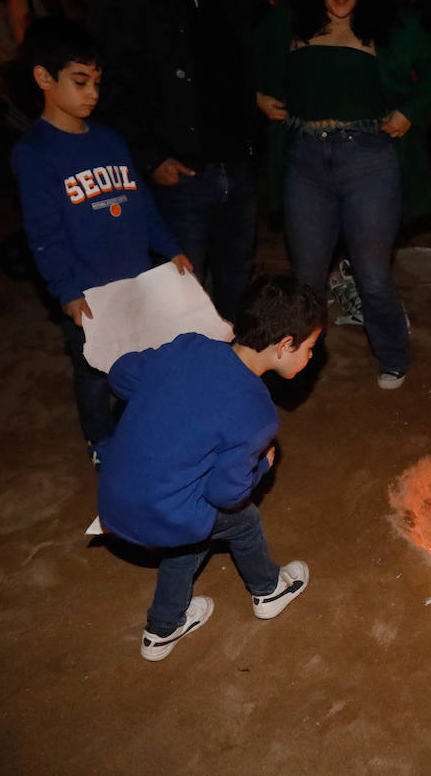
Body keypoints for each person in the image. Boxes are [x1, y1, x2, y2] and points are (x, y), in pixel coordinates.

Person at [254, 0, 431, 389]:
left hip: (369, 162)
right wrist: (259, 96)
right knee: (307, 278)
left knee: (372, 275)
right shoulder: (289, 19)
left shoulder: (388, 25)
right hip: (305, 163)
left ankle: (393, 354)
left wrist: (412, 110)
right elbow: (250, 57)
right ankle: (301, 363)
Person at [97, 275, 325, 661]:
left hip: (112, 496)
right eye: (310, 348)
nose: (311, 357)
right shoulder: (256, 413)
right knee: (242, 520)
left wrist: (168, 397)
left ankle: (163, 628)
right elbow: (226, 493)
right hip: (161, 511)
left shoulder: (189, 347)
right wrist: (262, 468)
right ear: (285, 345)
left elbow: (121, 374)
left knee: (191, 528)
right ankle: (268, 590)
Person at [9, 17, 192, 459]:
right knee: (93, 372)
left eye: (96, 81)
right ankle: (102, 441)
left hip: (133, 281)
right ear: (43, 78)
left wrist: (172, 249)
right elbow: (44, 235)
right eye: (80, 81)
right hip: (88, 292)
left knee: (140, 361)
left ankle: (142, 431)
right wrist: (67, 291)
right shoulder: (34, 154)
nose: (93, 93)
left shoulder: (110, 139)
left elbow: (142, 203)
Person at [90, 0, 265, 321]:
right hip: (180, 174)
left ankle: (226, 382)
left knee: (235, 288)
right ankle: (182, 388)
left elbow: (263, 46)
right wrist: (149, 157)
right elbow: (109, 84)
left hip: (238, 166)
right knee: (178, 300)